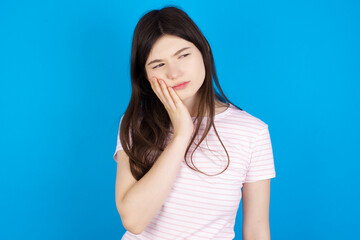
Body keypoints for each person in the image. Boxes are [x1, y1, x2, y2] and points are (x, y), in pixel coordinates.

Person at [113, 6, 276, 240]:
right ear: (145, 76)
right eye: (158, 65)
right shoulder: (135, 124)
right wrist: (181, 135)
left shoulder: (252, 132)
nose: (174, 72)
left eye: (183, 55)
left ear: (205, 52)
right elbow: (134, 220)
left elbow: (257, 230)